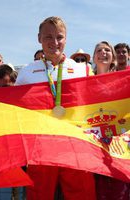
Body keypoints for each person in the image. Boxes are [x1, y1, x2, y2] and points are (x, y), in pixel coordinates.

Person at [15, 16, 96, 200]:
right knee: (39, 195)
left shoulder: (82, 69)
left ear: (66, 39)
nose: (55, 42)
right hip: (40, 146)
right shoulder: (27, 72)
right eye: (48, 37)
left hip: (75, 144)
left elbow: (94, 104)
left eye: (59, 37)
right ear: (39, 39)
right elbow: (15, 108)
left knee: (82, 194)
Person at [93, 41, 130, 200]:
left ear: (112, 57)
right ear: (94, 57)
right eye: (99, 50)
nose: (103, 52)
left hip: (117, 142)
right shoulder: (84, 80)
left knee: (119, 187)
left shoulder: (122, 81)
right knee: (98, 187)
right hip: (93, 142)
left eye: (107, 50)